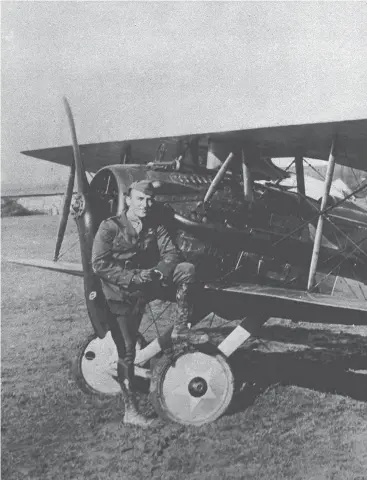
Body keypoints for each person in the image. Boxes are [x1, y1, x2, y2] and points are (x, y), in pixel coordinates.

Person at [92, 180, 207, 427]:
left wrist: (155, 273)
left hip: (150, 281)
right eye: (141, 199)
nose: (146, 204)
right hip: (121, 292)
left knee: (186, 269)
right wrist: (133, 278)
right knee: (127, 352)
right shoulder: (109, 227)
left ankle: (179, 330)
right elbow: (99, 264)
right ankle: (130, 410)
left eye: (150, 199)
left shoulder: (155, 224)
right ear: (129, 199)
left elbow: (172, 255)